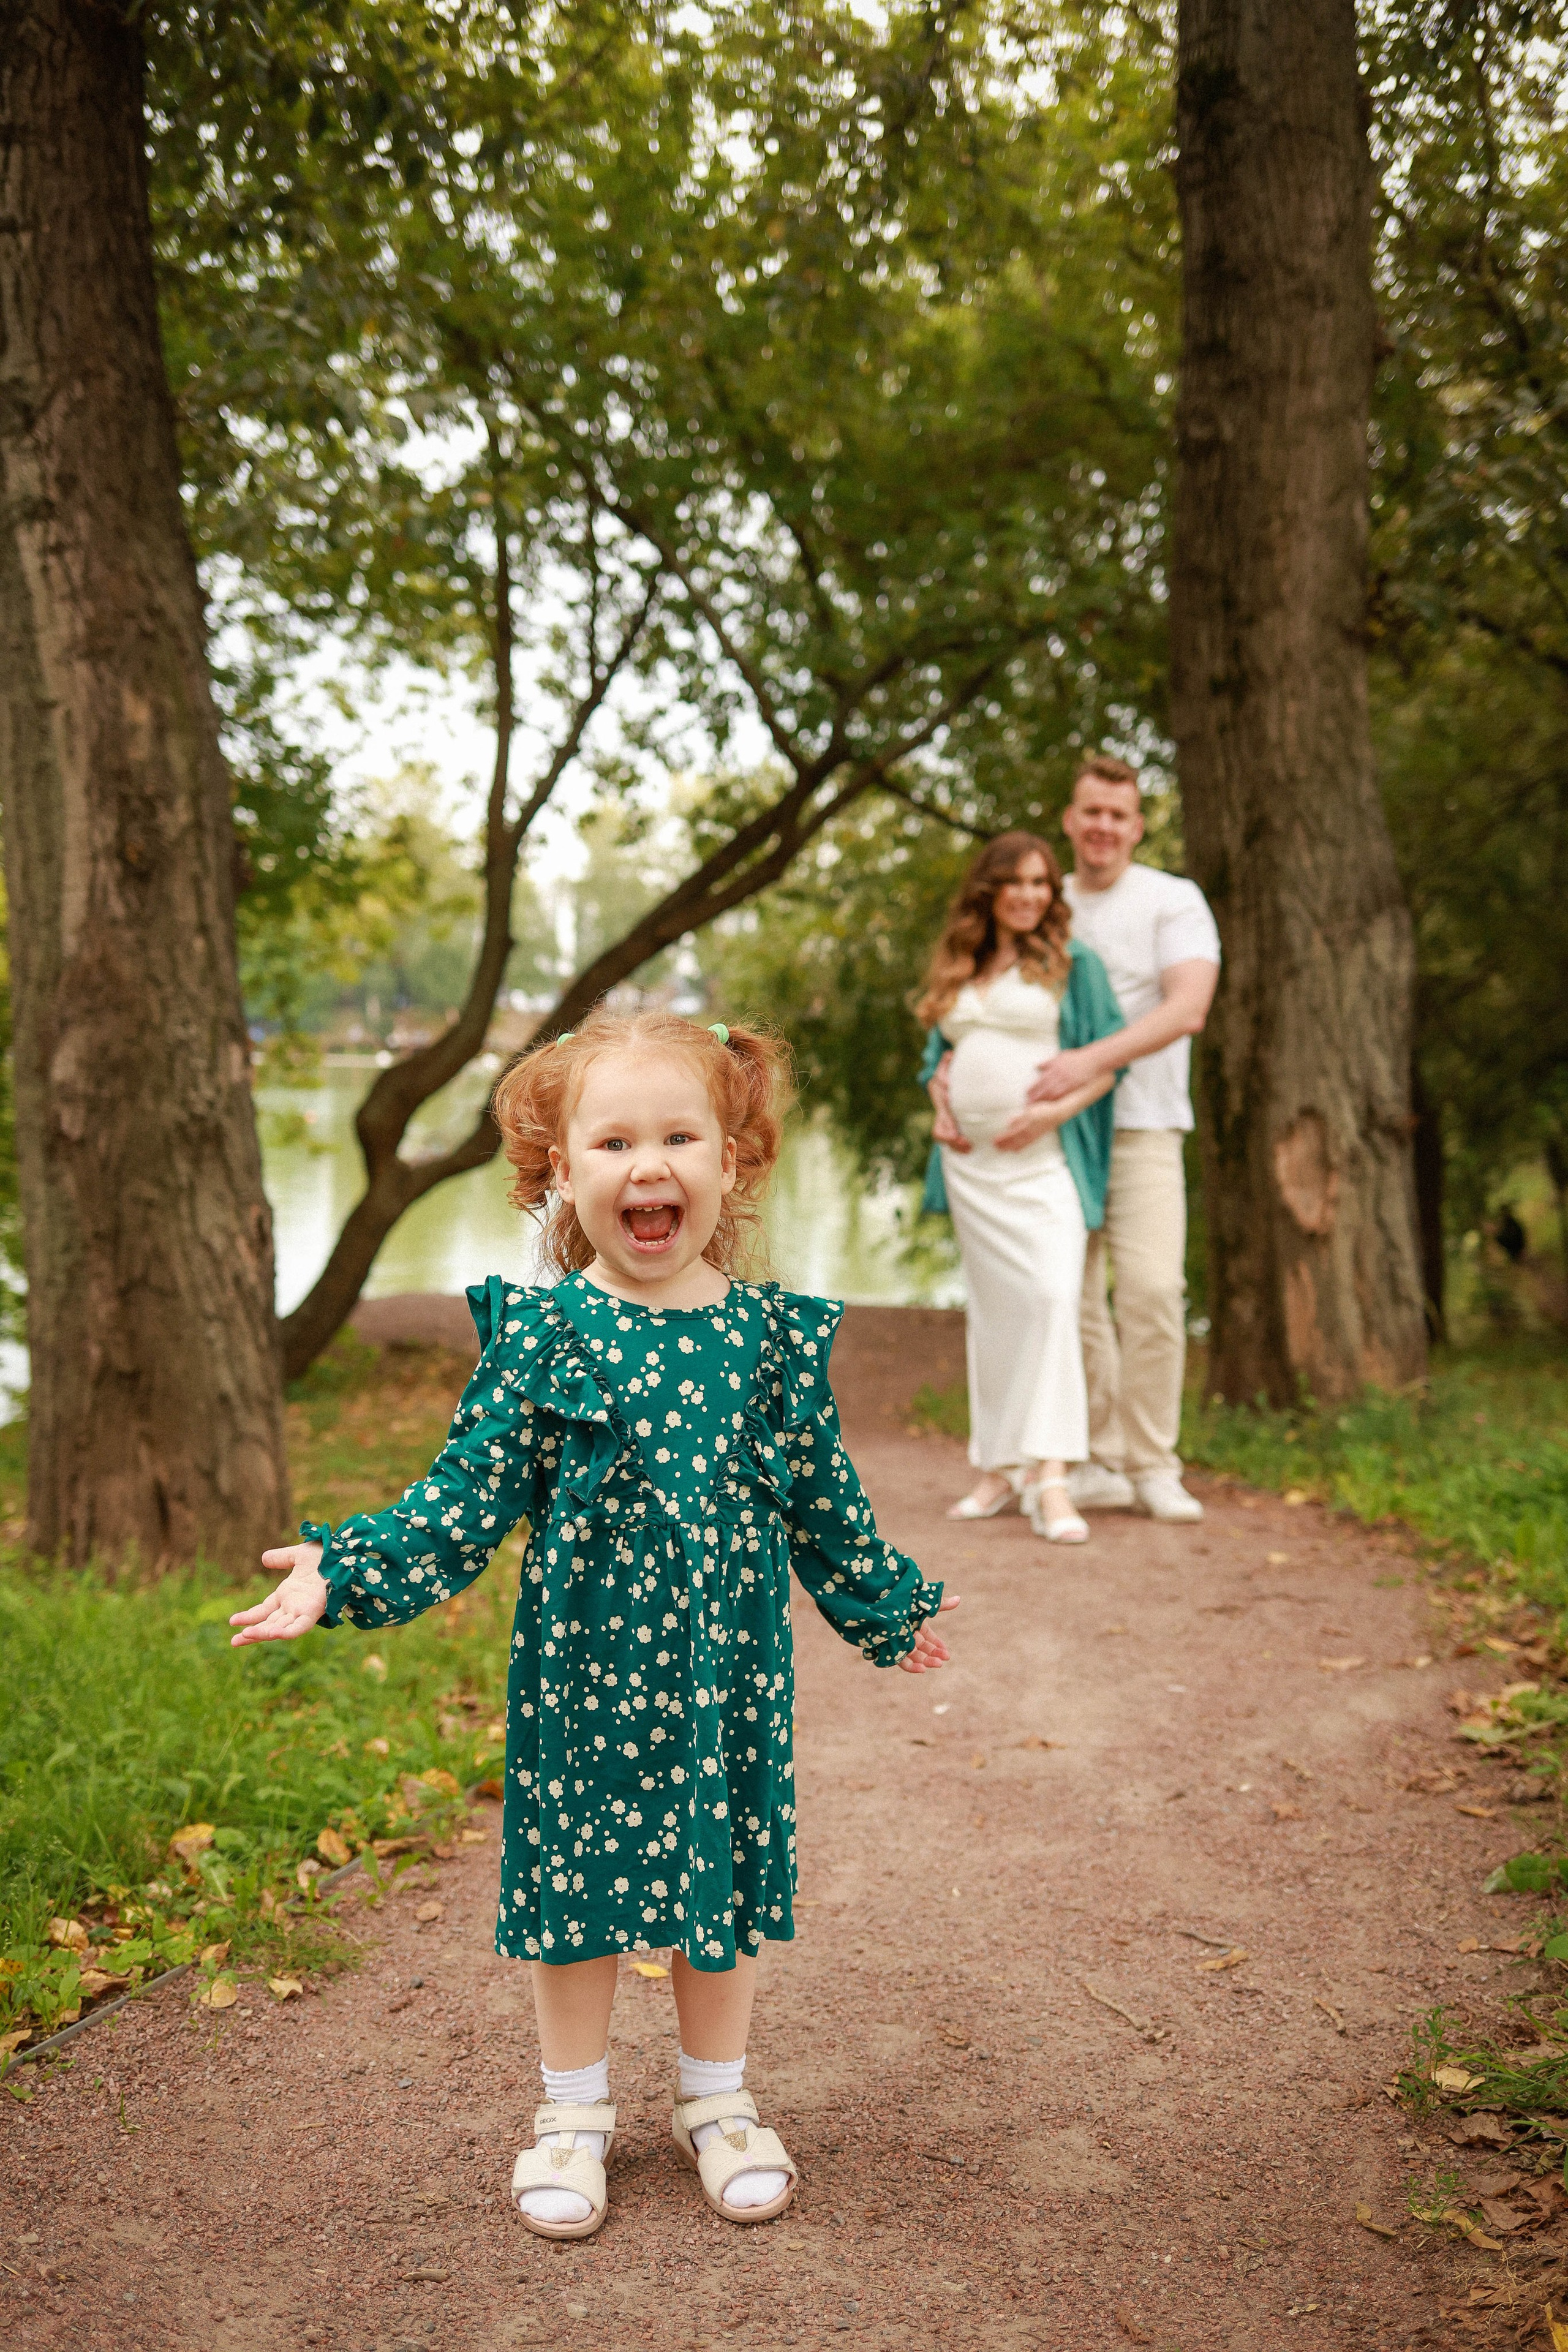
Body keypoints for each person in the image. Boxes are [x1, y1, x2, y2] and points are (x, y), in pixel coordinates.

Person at [230, 1010, 955, 2243]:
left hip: (726, 1681)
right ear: (561, 1171)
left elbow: (825, 1501)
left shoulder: (768, 1341)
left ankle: (716, 2105)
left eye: (679, 1135)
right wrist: (344, 1566)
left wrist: (883, 1607)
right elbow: (460, 1501)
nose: (648, 1165)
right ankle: (571, 2117)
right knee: (575, 1900)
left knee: (710, 1896)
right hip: (580, 1683)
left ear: (732, 1162)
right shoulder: (547, 1336)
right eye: (612, 1140)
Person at [1026, 754, 1221, 1524]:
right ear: (1070, 822)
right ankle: (1098, 1458)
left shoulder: (1173, 901)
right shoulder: (1047, 904)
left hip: (1143, 1127)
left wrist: (1087, 1062)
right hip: (1059, 1132)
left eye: (1118, 815)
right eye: (1091, 812)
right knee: (1070, 1301)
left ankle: (1153, 1464)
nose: (1103, 826)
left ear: (1137, 827)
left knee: (1150, 1293)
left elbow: (1187, 1009)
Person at [918, 832, 1125, 1545]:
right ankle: (998, 1470)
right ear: (990, 891)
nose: (1032, 894)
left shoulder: (1075, 965)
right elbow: (938, 1059)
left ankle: (1053, 1477)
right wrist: (942, 1107)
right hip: (971, 1169)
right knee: (998, 1315)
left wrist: (1049, 1112)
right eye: (1017, 882)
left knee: (1051, 1298)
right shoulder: (961, 964)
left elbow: (1108, 1062)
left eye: (1042, 883)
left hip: (1043, 1166)